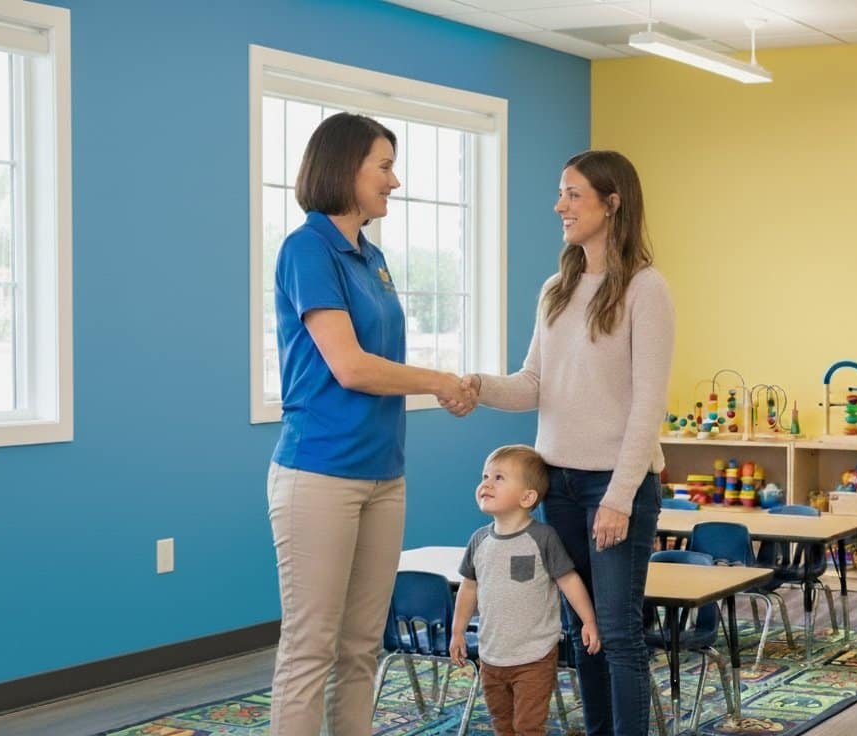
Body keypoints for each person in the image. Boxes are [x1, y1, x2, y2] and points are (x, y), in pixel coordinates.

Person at [267, 112, 476, 736]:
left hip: (384, 472)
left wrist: (441, 383)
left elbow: (378, 359)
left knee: (362, 646)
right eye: (384, 167)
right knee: (310, 648)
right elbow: (352, 367)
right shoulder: (307, 249)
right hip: (319, 472)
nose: (395, 181)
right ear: (344, 169)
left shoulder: (372, 257)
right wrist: (439, 381)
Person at [468, 150, 675, 735]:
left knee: (619, 632)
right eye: (561, 193)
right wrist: (475, 386)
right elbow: (534, 384)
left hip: (616, 486)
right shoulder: (556, 290)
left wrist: (619, 496)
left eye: (573, 194)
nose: (560, 205)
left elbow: (647, 405)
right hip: (557, 483)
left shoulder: (646, 289)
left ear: (612, 204)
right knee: (583, 631)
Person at [449, 445, 602, 736]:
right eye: (485, 476)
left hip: (535, 657)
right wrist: (458, 631)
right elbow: (468, 588)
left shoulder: (543, 538)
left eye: (499, 478)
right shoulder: (479, 540)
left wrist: (589, 620)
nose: (486, 484)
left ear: (527, 497)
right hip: (491, 656)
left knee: (527, 726)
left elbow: (568, 580)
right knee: (502, 725)